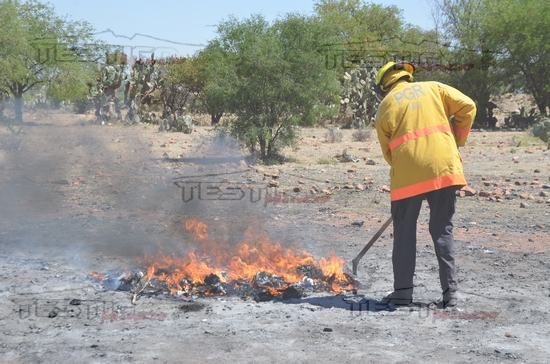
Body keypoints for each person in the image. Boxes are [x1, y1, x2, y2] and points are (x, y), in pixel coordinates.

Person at [373, 61, 476, 307]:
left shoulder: (385, 107)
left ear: (383, 86)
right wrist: (457, 140)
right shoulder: (435, 87)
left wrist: (410, 173)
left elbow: (388, 153)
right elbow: (468, 107)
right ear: (406, 77)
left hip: (407, 177)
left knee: (404, 233)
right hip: (444, 169)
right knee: (442, 229)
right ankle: (450, 295)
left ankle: (402, 295)